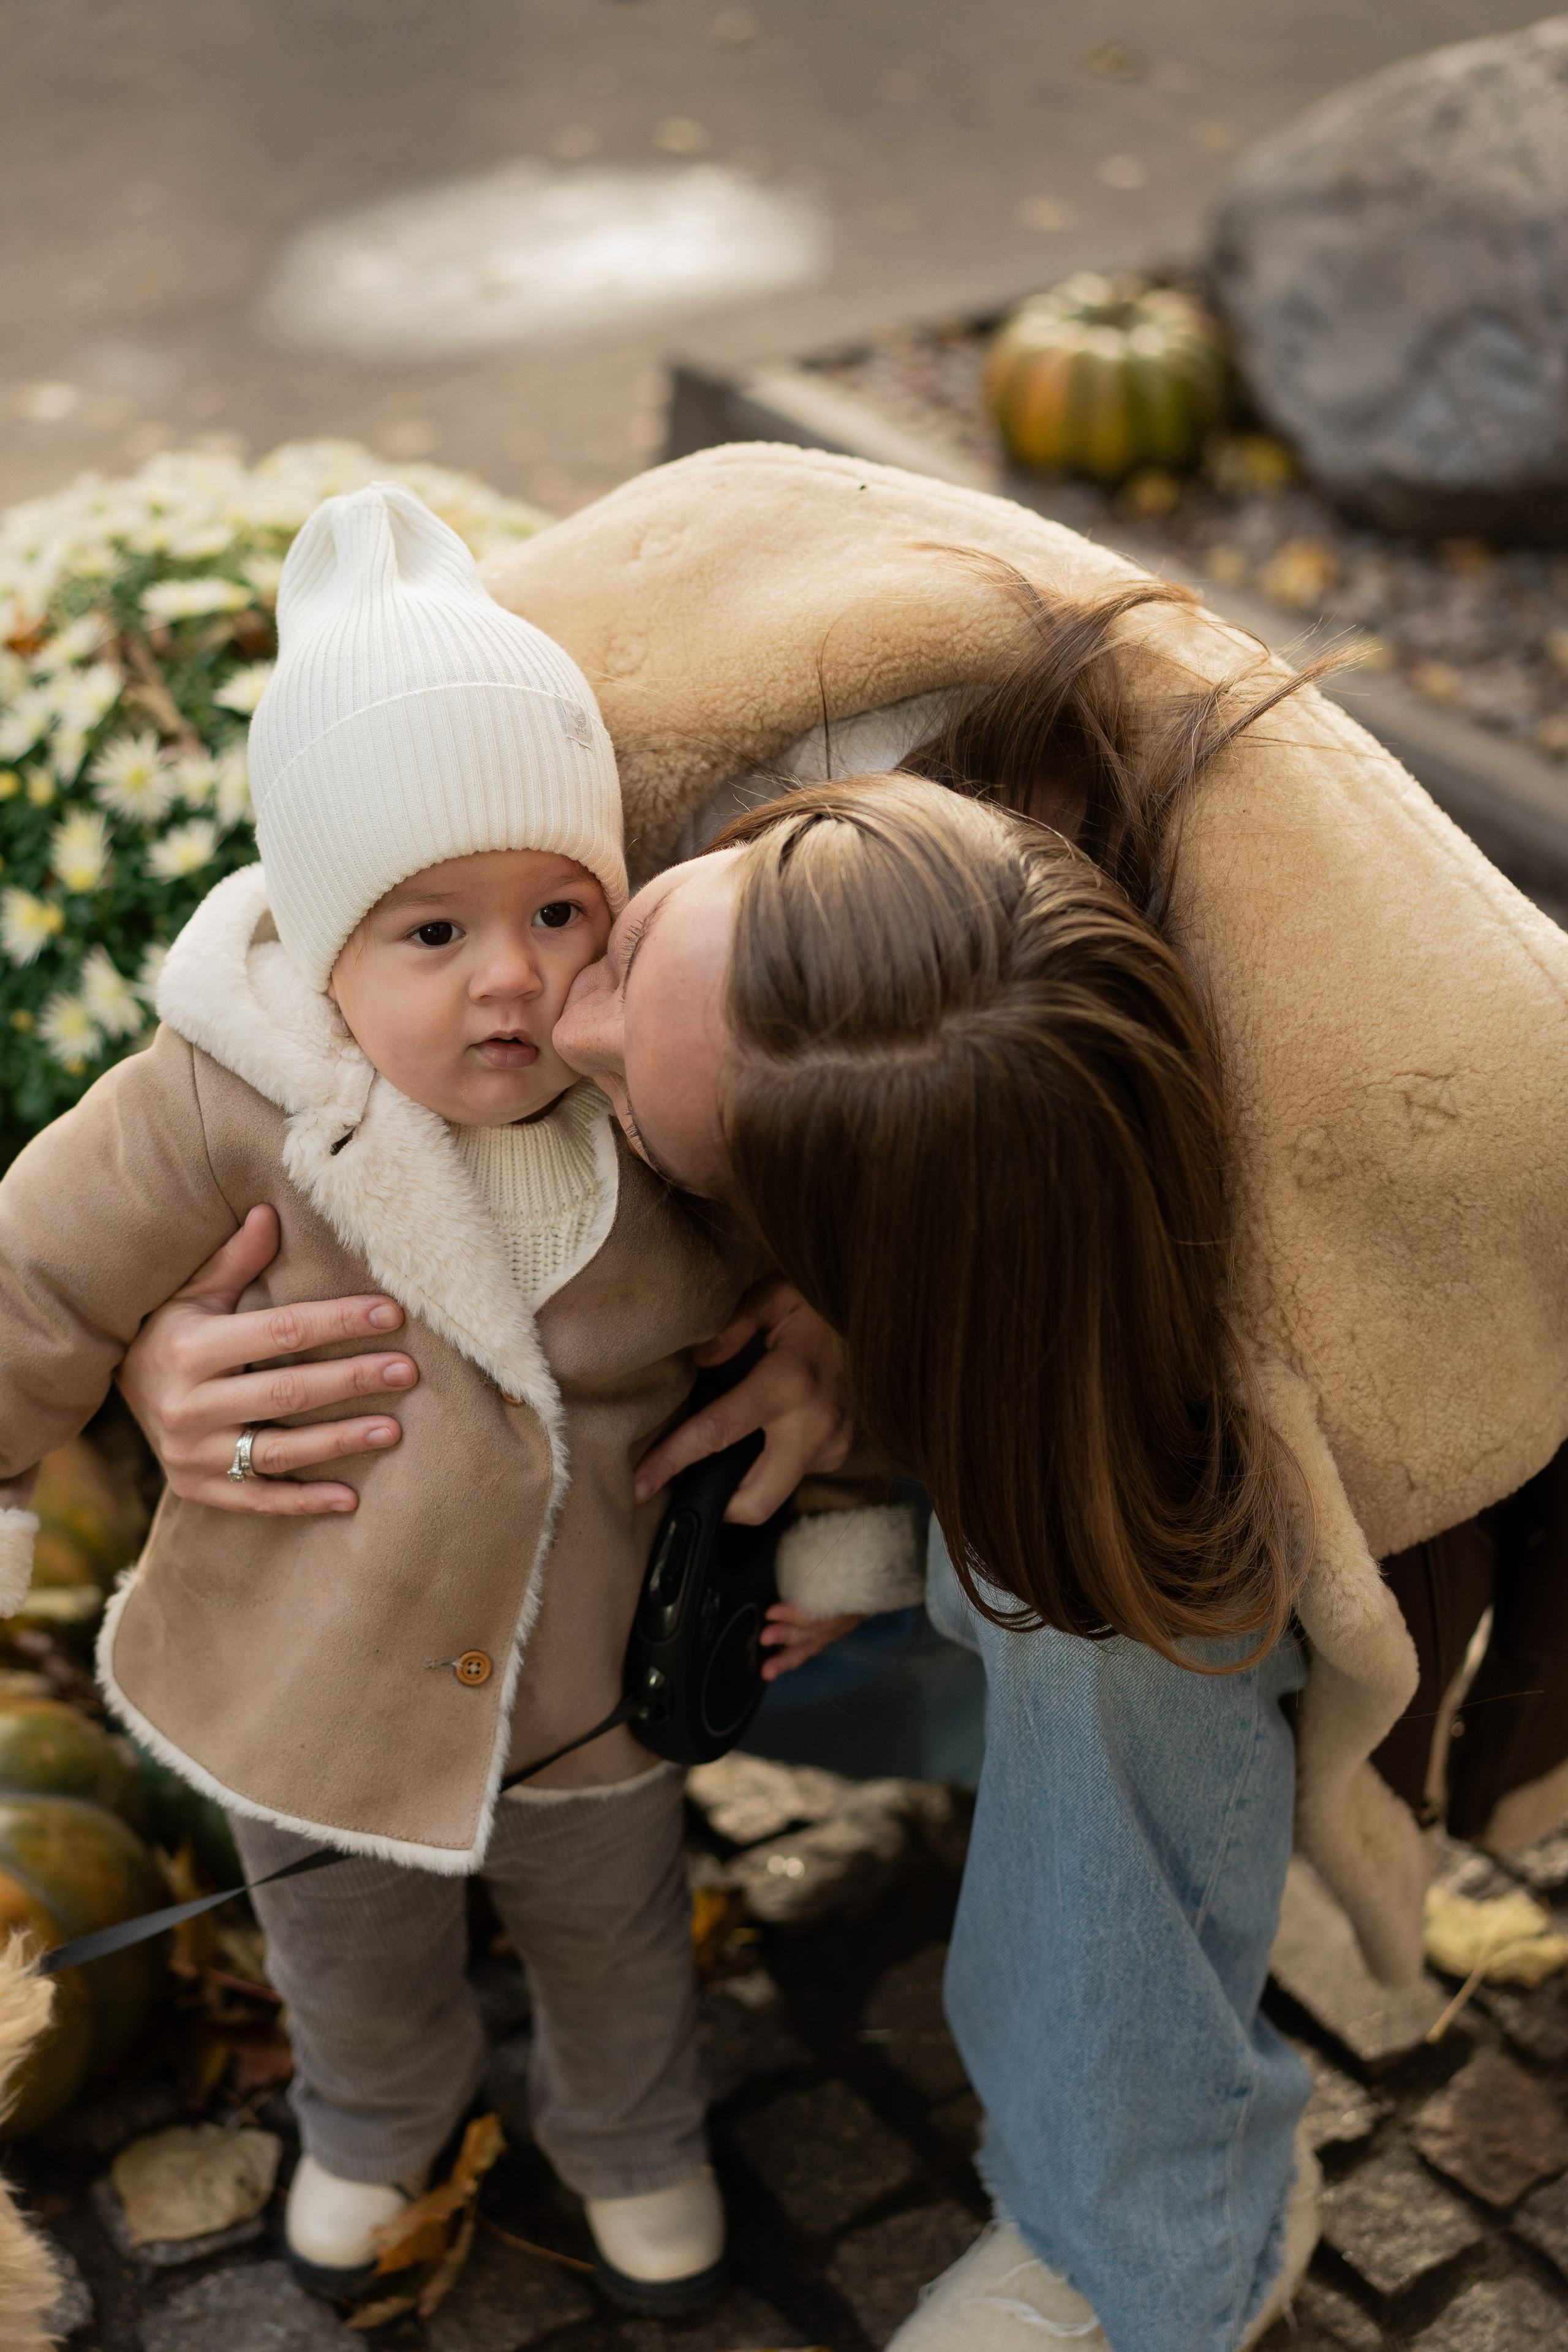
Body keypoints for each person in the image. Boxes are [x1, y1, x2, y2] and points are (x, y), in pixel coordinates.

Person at [117, 446, 1568, 2352]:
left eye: (641, 1113)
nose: (556, 1021)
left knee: (1144, 1605)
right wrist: (166, 1339)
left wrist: (868, 1367)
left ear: (854, 1238)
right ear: (761, 835)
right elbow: (265, 989)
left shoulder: (1386, 1099)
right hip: (670, 1539)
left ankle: (1158, 2224)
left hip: (1045, 1421)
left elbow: (1205, 1469)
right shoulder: (597, 715)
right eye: (640, 941)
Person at [0, 481, 900, 2320]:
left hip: (588, 1678)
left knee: (616, 1932)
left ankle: (631, 2135)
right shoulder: (222, 1099)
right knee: (348, 1948)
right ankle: (374, 2121)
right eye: (432, 934)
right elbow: (38, 1275)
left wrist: (824, 1541)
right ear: (323, 948)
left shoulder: (650, 1102)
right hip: (307, 1663)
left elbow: (787, 1312)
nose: (513, 977)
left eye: (560, 910)